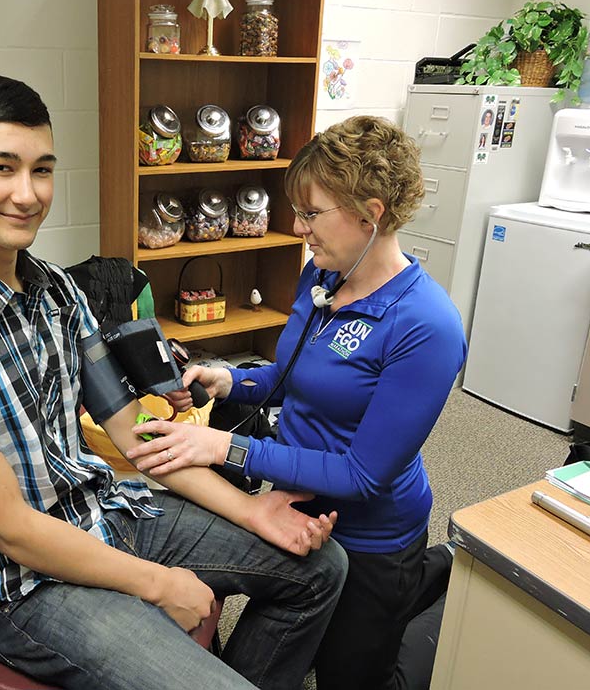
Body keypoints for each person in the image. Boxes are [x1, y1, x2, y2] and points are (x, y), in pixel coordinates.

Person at [0, 74, 348, 690]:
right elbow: (11, 529)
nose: (27, 193)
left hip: (104, 512)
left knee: (320, 568)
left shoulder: (57, 291)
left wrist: (253, 512)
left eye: (42, 170)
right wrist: (160, 583)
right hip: (28, 585)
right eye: (2, 168)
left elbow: (136, 434)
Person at [127, 115, 468, 690]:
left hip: (371, 536)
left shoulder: (427, 325)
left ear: (371, 212)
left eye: (311, 214)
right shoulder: (324, 273)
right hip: (297, 512)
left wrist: (227, 447)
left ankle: (434, 582)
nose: (297, 226)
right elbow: (292, 375)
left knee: (357, 680)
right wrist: (232, 382)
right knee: (272, 656)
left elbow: (362, 476)